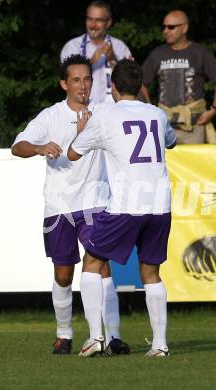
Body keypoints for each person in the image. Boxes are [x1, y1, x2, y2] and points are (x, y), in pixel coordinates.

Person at [12, 54, 130, 356]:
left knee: (102, 268)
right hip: (59, 205)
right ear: (64, 83)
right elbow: (18, 146)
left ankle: (112, 336)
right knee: (63, 273)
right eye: (76, 80)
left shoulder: (104, 111)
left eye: (88, 79)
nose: (83, 85)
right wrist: (39, 147)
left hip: (96, 202)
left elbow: (133, 110)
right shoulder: (50, 116)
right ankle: (64, 334)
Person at [68, 59, 176, 357]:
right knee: (151, 272)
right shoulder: (157, 114)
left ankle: (95, 337)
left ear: (113, 87)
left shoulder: (105, 116)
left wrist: (83, 130)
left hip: (127, 204)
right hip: (159, 203)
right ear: (141, 86)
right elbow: (172, 142)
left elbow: (74, 153)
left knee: (92, 262)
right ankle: (160, 344)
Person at [142, 10, 216, 144]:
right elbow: (142, 83)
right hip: (164, 127)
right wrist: (150, 110)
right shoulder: (157, 54)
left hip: (193, 127)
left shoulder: (199, 53)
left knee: (195, 164)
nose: (165, 31)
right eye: (164, 27)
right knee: (165, 165)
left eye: (171, 27)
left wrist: (214, 110)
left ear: (185, 28)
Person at [60, 0, 131, 104]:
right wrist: (91, 61)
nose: (93, 25)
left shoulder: (120, 47)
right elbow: (66, 77)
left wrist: (113, 59)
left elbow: (130, 82)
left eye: (98, 20)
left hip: (113, 111)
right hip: (82, 109)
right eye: (90, 19)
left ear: (108, 23)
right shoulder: (72, 46)